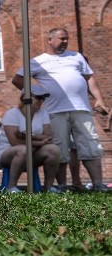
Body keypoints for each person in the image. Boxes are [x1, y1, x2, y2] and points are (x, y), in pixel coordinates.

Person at [12, 27, 109, 192]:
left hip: (81, 109)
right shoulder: (38, 61)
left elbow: (89, 78)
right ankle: (62, 185)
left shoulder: (76, 56)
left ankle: (98, 184)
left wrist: (99, 99)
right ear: (49, 40)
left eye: (67, 39)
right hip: (55, 111)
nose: (65, 41)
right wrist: (37, 91)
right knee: (60, 150)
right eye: (61, 38)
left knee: (91, 146)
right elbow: (17, 79)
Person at [0, 85, 60, 193]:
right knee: (23, 149)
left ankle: (48, 187)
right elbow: (14, 142)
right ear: (25, 98)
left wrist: (26, 136)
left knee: (54, 150)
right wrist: (40, 142)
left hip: (33, 151)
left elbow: (48, 136)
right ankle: (11, 187)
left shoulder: (43, 113)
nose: (41, 101)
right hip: (7, 152)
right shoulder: (12, 114)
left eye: (43, 98)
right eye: (38, 97)